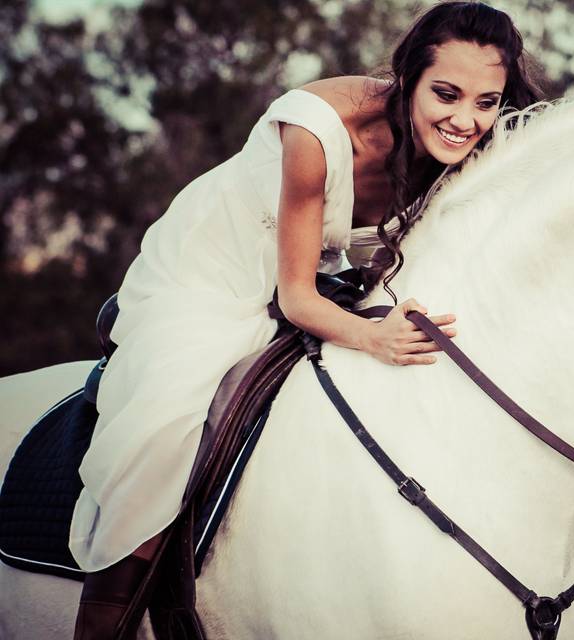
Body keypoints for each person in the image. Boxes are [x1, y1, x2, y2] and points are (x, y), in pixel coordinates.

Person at [70, 2, 542, 637]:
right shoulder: (319, 129)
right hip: (216, 268)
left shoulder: (469, 144)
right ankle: (105, 616)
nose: (465, 120)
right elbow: (293, 298)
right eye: (447, 94)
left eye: (486, 103)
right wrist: (377, 337)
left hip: (325, 272)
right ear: (407, 77)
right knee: (163, 415)